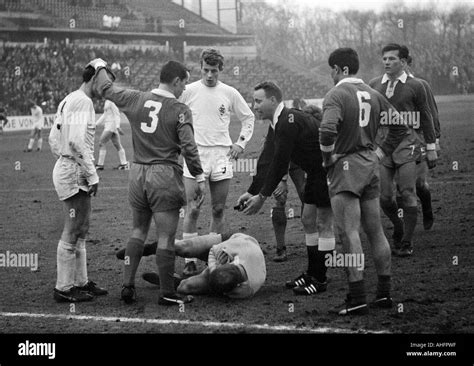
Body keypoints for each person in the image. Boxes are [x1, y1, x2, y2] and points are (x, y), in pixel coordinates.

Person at [92, 58, 205, 306]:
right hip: (164, 175)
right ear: (176, 81)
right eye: (184, 84)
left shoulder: (136, 98)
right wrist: (198, 176)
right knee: (166, 236)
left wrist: (100, 66)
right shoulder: (179, 109)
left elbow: (106, 89)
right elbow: (188, 147)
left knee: (138, 231)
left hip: (138, 173)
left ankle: (127, 286)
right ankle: (167, 293)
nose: (184, 89)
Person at [320, 47, 409, 315]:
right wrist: (380, 152)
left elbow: (326, 130)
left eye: (333, 70)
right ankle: (383, 295)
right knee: (376, 230)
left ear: (341, 69)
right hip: (370, 165)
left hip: (346, 167)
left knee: (349, 232)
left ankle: (357, 298)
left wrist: (327, 160)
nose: (332, 75)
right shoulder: (374, 94)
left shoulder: (336, 94)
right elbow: (400, 126)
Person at [238, 81, 335, 297]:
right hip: (315, 172)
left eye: (258, 101)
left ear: (273, 100)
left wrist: (262, 197)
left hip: (329, 172)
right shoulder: (278, 122)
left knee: (323, 223)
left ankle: (320, 279)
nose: (255, 106)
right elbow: (267, 159)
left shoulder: (287, 122)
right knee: (308, 220)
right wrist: (253, 190)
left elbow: (280, 163)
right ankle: (312, 273)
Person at [179, 48, 255, 277]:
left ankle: (213, 257)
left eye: (214, 71)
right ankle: (190, 259)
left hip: (222, 155)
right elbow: (172, 114)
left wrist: (240, 143)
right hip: (196, 155)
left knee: (218, 209)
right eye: (205, 70)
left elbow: (248, 117)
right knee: (193, 209)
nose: (209, 75)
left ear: (221, 70)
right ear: (200, 68)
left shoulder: (229, 93)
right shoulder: (189, 91)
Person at [369, 44, 437, 257]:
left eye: (392, 59)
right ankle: (398, 227)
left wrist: (431, 146)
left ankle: (406, 241)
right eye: (385, 59)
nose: (387, 62)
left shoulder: (416, 85)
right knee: (385, 198)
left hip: (408, 142)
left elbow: (426, 115)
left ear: (404, 62)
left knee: (408, 191)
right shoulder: (374, 85)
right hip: (383, 144)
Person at [48, 62, 108, 303]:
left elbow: (54, 137)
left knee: (81, 228)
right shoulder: (83, 101)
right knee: (73, 229)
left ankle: (81, 283)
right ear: (94, 78)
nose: (105, 89)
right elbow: (76, 142)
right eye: (103, 83)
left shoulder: (70, 98)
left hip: (69, 167)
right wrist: (91, 174)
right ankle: (64, 287)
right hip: (74, 171)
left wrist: (63, 159)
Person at [120, 233, 266, 299]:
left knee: (185, 287)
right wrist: (214, 268)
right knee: (185, 247)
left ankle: (174, 281)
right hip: (229, 241)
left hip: (227, 267)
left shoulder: (248, 288)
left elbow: (230, 293)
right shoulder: (241, 246)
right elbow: (213, 250)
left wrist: (214, 279)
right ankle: (148, 249)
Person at [405, 55, 441, 230]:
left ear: (408, 64)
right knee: (401, 187)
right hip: (396, 143)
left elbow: (431, 114)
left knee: (419, 183)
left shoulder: (421, 85)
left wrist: (434, 141)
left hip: (419, 140)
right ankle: (404, 229)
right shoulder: (386, 87)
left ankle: (427, 210)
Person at [95, 99, 129, 170]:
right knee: (118, 145)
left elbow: (117, 114)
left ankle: (100, 165)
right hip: (110, 125)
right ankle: (124, 164)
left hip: (111, 126)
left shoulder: (112, 101)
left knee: (102, 142)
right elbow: (105, 115)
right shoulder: (107, 101)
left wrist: (117, 126)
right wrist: (96, 124)